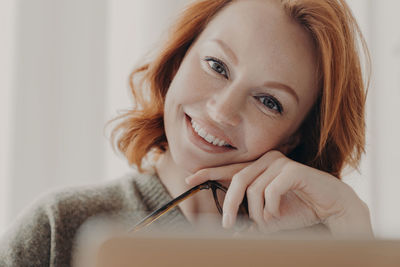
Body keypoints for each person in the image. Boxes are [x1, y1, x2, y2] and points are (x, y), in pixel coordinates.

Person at [0, 0, 373, 265]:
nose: (222, 110)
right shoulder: (59, 228)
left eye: (268, 101)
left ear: (295, 137)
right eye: (216, 65)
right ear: (179, 58)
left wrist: (350, 224)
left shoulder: (321, 254)